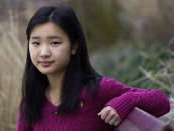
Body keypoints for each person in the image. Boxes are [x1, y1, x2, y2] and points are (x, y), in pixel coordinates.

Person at [16, 5, 170, 131]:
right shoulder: (31, 101)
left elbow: (162, 101)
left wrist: (125, 101)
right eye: (36, 43)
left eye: (54, 43)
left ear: (74, 46)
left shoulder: (96, 90)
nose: (43, 53)